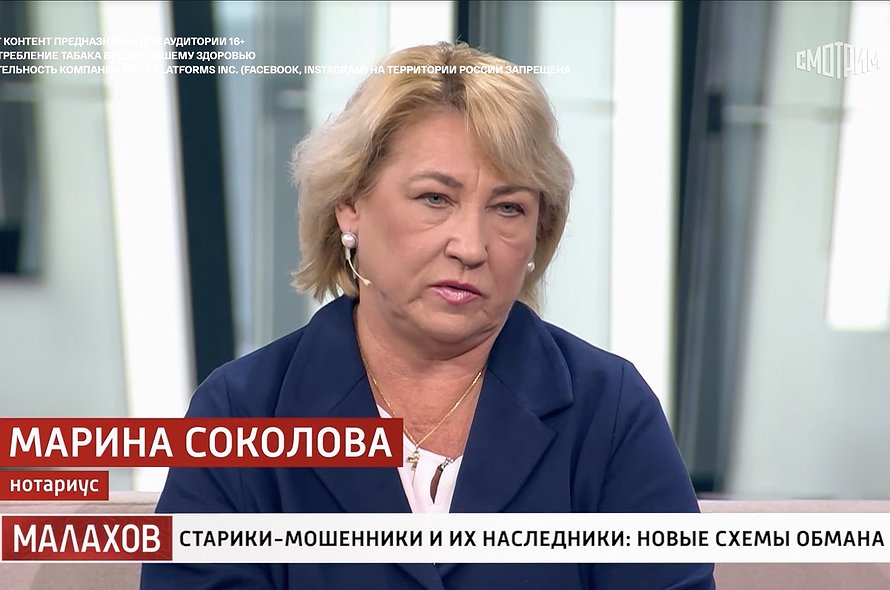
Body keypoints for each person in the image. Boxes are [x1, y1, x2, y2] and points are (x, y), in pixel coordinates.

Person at [141, 42, 715, 589]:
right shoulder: (241, 412)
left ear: (538, 233)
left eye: (508, 208)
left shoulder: (608, 411)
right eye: (435, 198)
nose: (471, 246)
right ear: (349, 205)